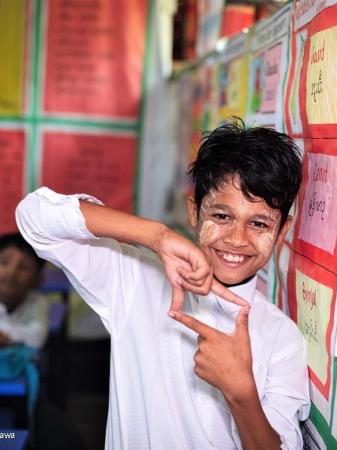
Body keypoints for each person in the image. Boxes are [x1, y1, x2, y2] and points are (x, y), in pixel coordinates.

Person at [16, 118, 310, 450]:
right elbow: (35, 217)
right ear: (195, 212)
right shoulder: (137, 279)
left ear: (282, 231)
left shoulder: (282, 339)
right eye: (222, 217)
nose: (236, 239)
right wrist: (156, 236)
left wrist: (241, 394)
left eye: (258, 223)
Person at [0, 233, 48, 350]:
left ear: (38, 279)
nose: (11, 273)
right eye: (4, 262)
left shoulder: (37, 302)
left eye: (24, 267)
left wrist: (5, 336)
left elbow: (37, 338)